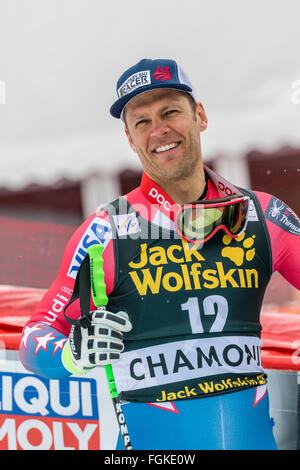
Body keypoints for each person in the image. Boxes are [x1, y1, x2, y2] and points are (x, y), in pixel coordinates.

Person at [19, 58, 300, 450]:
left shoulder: (263, 214)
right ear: (130, 140)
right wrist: (72, 354)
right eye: (142, 122)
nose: (159, 130)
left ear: (199, 115)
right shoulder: (106, 231)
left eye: (170, 112)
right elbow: (35, 338)